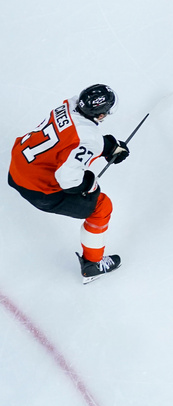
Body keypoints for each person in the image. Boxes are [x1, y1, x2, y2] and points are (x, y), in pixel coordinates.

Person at [8, 84, 130, 284]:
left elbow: (67, 138)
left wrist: (107, 146)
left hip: (17, 168)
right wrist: (90, 184)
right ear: (100, 115)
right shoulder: (90, 138)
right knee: (101, 206)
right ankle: (92, 266)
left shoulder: (67, 106)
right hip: (36, 188)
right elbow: (68, 180)